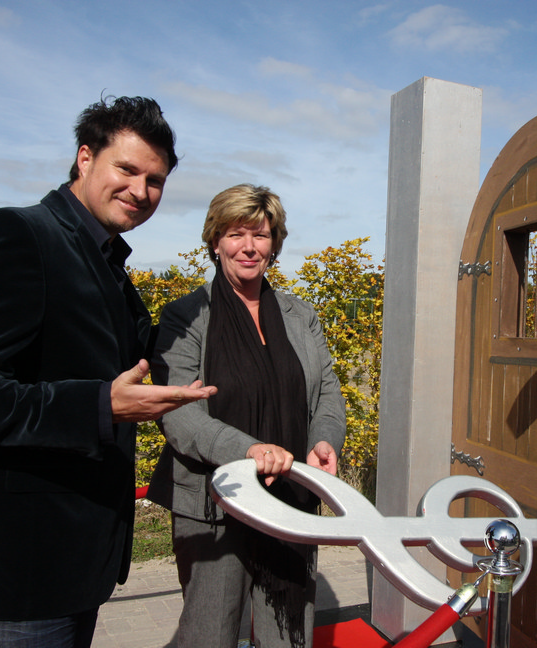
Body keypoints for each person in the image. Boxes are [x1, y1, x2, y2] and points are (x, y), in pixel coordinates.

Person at [0, 96, 217, 647]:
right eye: (127, 169)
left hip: (75, 563)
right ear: (85, 158)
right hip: (14, 569)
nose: (141, 191)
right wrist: (99, 405)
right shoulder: (16, 234)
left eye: (155, 180)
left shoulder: (107, 263)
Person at [147, 184, 346, 648]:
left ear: (274, 244)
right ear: (215, 241)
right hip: (214, 503)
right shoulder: (184, 317)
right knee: (210, 634)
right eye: (236, 234)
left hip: (291, 497)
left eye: (261, 234)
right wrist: (250, 451)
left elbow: (327, 392)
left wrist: (324, 441)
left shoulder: (301, 316)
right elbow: (179, 413)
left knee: (288, 636)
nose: (249, 247)